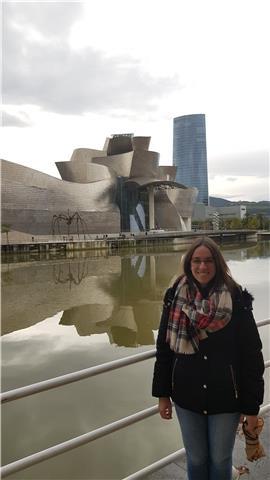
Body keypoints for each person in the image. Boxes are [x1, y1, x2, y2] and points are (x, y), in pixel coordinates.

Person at [152, 236, 264, 480]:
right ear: (188, 263)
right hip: (186, 396)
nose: (202, 267)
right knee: (196, 459)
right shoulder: (175, 297)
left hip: (226, 398)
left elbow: (252, 356)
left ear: (218, 263)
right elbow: (164, 349)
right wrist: (162, 395)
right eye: (197, 261)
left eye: (209, 261)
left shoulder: (236, 299)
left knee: (220, 459)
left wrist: (251, 408)